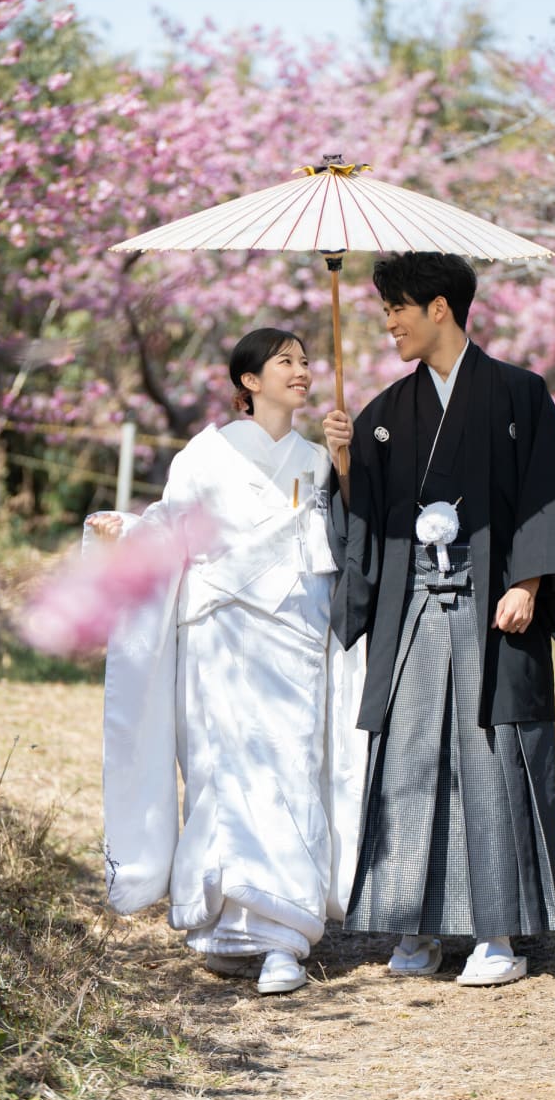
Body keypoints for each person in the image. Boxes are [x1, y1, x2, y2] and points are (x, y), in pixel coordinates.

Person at [323, 251, 555, 987]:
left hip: (493, 604)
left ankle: (496, 933)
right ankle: (414, 926)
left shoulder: (518, 393)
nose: (388, 325)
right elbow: (364, 520)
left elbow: (547, 493)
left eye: (397, 310)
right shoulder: (383, 414)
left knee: (492, 757)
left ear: (438, 308)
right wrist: (344, 465)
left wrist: (529, 584)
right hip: (412, 606)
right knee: (411, 759)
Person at [86, 328, 365, 995]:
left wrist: (348, 466)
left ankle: (283, 938)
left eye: (305, 361)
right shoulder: (204, 455)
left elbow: (349, 534)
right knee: (221, 769)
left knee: (291, 767)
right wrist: (127, 535)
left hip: (295, 630)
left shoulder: (317, 457)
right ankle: (229, 928)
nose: (302, 370)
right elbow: (169, 528)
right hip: (221, 629)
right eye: (285, 361)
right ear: (249, 381)